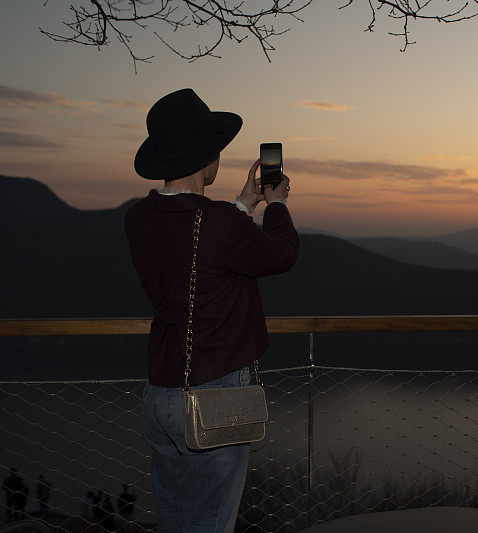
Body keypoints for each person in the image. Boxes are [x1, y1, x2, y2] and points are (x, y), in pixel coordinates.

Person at [124, 88, 300, 532]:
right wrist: (275, 205)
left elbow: (199, 252)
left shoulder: (139, 219)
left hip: (161, 393)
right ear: (206, 157)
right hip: (214, 394)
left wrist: (243, 204)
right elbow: (280, 254)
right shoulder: (217, 223)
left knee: (175, 521)